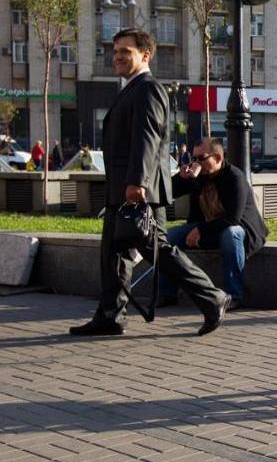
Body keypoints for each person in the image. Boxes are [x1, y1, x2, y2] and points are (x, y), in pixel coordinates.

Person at [70, 28, 230, 337]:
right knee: (112, 254)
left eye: (125, 51)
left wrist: (137, 182)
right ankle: (110, 316)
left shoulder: (148, 88)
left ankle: (213, 298)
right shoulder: (130, 88)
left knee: (160, 252)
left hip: (139, 190)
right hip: (123, 188)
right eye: (115, 51)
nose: (117, 56)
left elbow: (147, 139)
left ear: (145, 55)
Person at [158, 137, 269, 311]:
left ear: (217, 158)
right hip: (208, 230)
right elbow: (168, 193)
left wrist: (200, 230)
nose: (197, 163)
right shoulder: (198, 176)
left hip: (240, 232)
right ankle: (167, 292)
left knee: (231, 234)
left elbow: (233, 219)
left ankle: (235, 295)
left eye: (201, 158)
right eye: (192, 158)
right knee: (168, 237)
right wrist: (181, 177)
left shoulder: (234, 177)